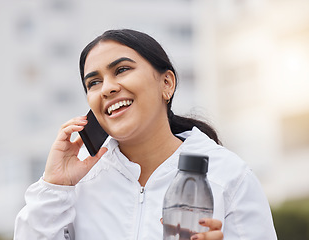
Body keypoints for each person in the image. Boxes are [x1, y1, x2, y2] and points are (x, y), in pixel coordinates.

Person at [14, 29, 277, 240]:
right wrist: (55, 186)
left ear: (167, 83)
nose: (107, 88)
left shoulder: (229, 176)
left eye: (122, 70)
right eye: (93, 82)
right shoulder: (76, 187)